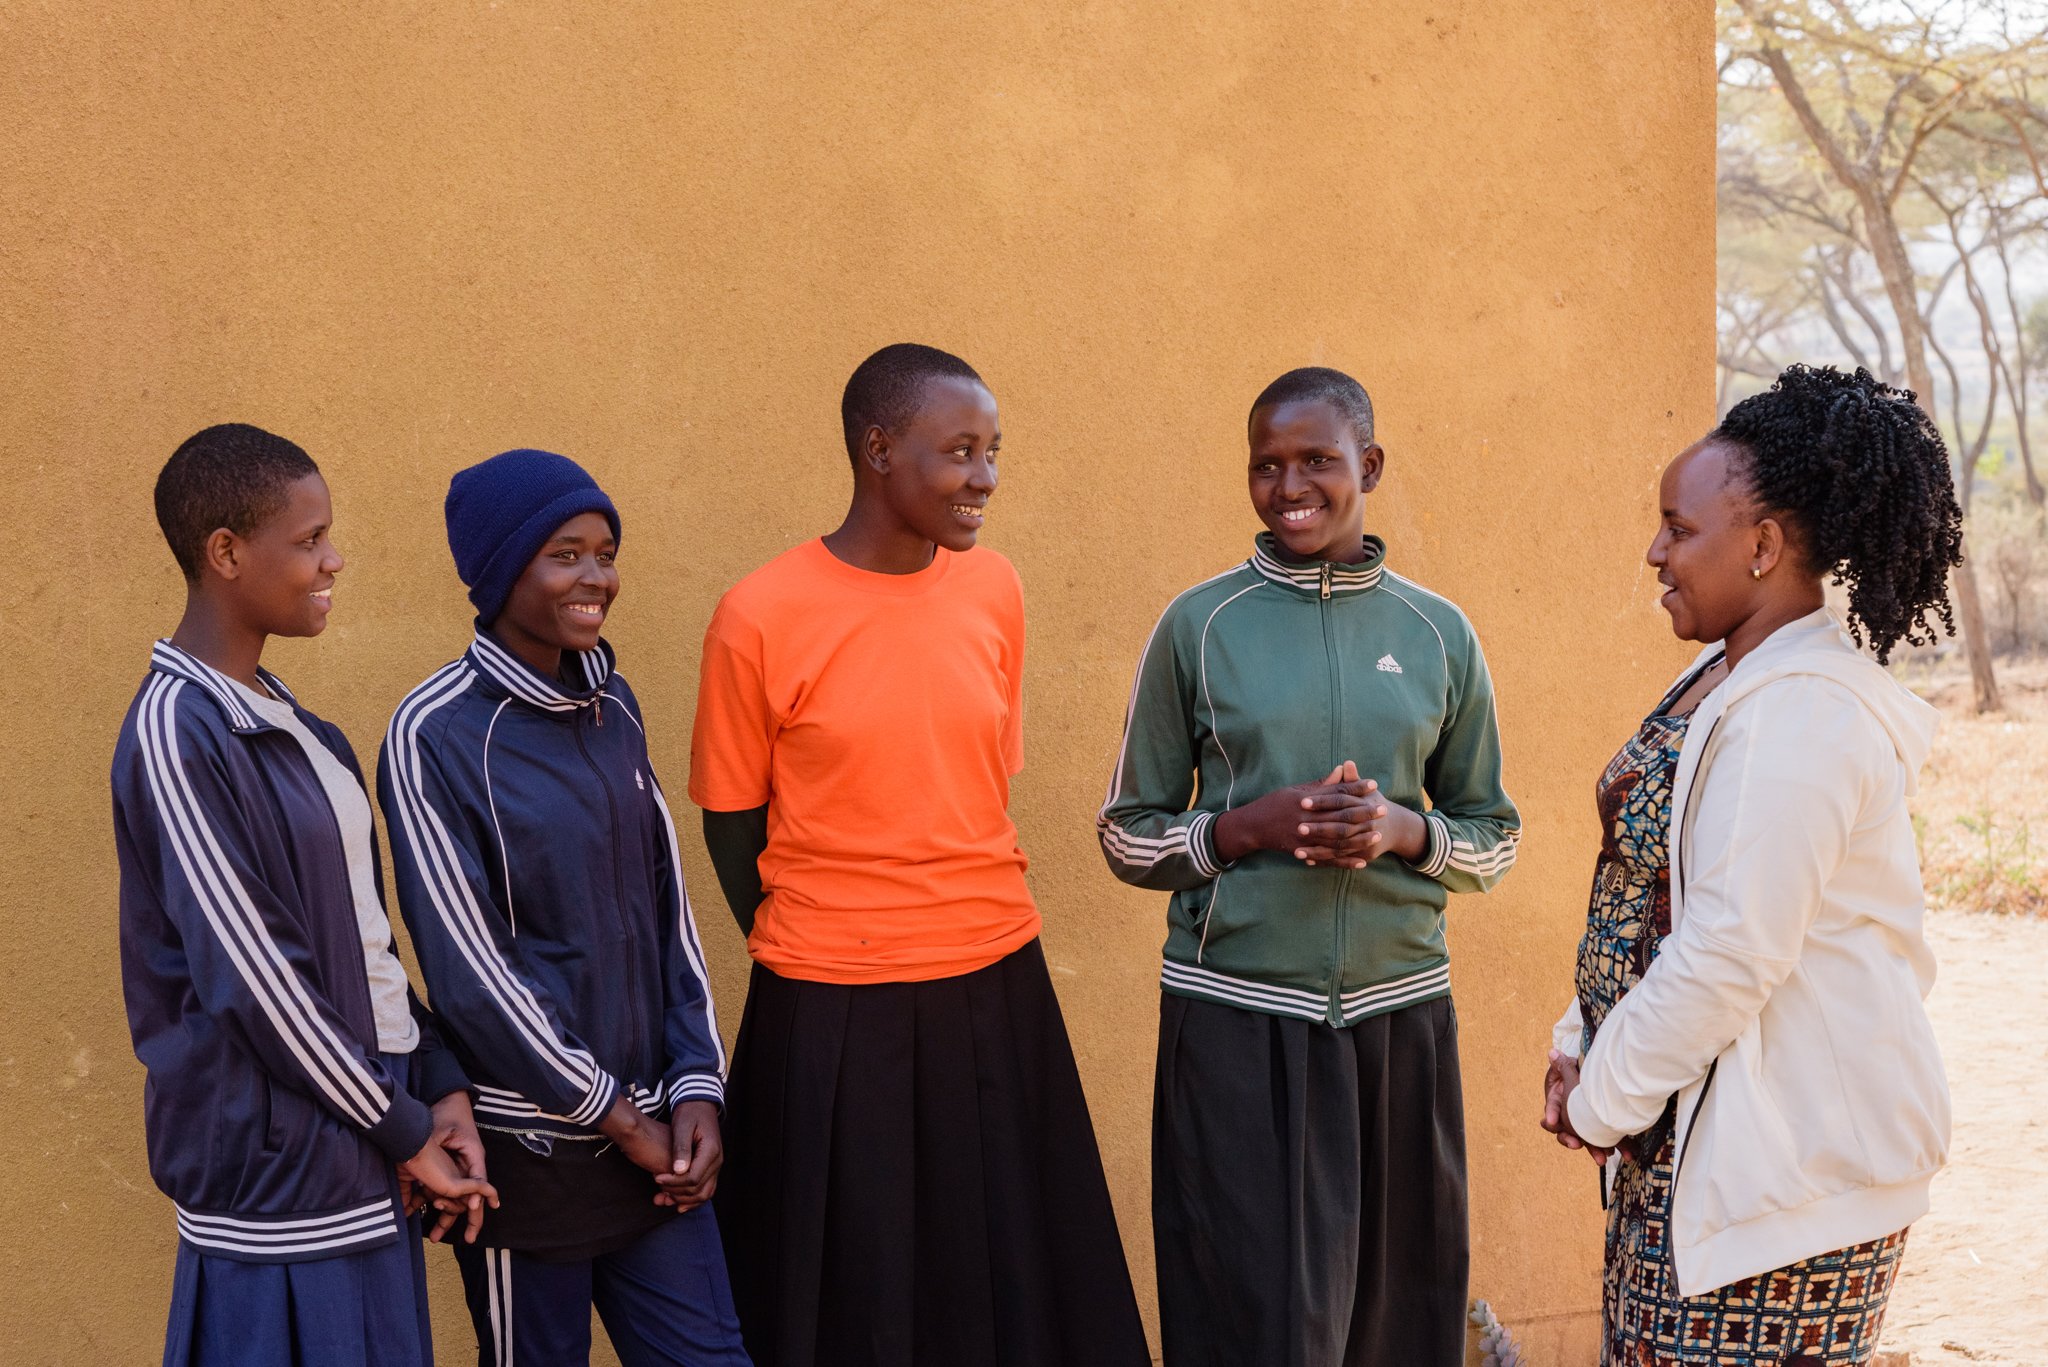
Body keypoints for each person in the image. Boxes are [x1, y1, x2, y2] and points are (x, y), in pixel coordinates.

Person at [691, 344, 1149, 1367]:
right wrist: (817, 923)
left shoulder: (993, 588)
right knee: (845, 1299)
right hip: (828, 999)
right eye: (959, 451)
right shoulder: (757, 613)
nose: (984, 477)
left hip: (995, 981)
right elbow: (733, 825)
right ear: (878, 448)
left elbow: (976, 779)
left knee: (1012, 1286)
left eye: (993, 451)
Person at [1098, 366, 1520, 1367]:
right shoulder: (1197, 625)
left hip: (1398, 1017)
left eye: (1316, 461)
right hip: (1235, 1016)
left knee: (1398, 1310)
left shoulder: (1438, 633)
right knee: (1254, 1316)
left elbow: (1492, 833)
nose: (1289, 485)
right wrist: (1245, 826)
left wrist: (1399, 830)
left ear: (1366, 464)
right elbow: (1125, 831)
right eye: (1265, 464)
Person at [1541, 364, 1957, 1365]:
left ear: (1762, 545)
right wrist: (1580, 1036)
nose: (1654, 550)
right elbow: (1639, 881)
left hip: (1786, 1185)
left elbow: (1729, 949)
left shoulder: (1795, 713)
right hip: (1689, 1149)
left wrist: (1602, 1095)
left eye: (1678, 528)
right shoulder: (1724, 673)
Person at [113, 423, 496, 1367]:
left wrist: (437, 1080)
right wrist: (403, 1126)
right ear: (227, 552)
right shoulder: (179, 729)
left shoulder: (301, 729)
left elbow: (360, 948)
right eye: (309, 538)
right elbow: (256, 981)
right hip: (278, 1179)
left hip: (363, 1143)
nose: (334, 558)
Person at [378, 449, 747, 1367]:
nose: (596, 578)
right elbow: (469, 975)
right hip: (530, 1163)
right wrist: (618, 1117)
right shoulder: (434, 734)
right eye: (565, 554)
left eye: (605, 552)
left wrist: (700, 1083)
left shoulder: (612, 704)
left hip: (657, 1155)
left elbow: (670, 912)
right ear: (503, 570)